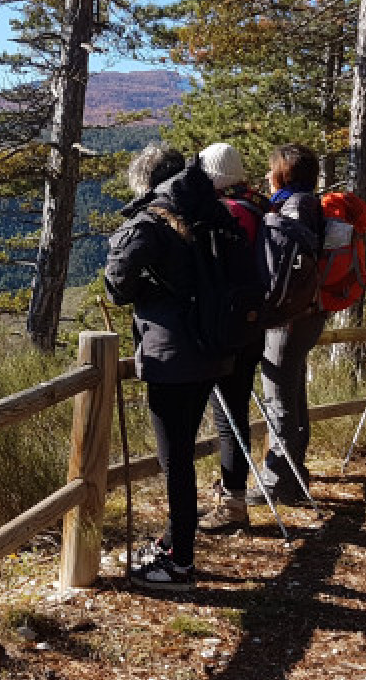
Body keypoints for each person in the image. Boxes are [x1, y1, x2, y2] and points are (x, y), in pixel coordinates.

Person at [104, 143, 236, 592]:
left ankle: (180, 565)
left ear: (146, 179)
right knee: (181, 454)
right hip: (212, 347)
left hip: (171, 354)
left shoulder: (152, 220)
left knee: (174, 460)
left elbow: (117, 285)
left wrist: (148, 289)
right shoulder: (209, 212)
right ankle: (172, 543)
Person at [247, 143, 326, 506]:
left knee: (279, 398)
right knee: (293, 395)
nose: (267, 175)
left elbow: (279, 271)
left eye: (272, 169)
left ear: (284, 173)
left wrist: (264, 310)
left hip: (288, 319)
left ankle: (278, 480)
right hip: (308, 313)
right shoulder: (310, 204)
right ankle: (295, 475)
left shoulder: (291, 208)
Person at [195, 142, 269, 530]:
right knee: (235, 409)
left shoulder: (228, 213)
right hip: (254, 322)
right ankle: (232, 494)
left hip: (229, 327)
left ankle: (233, 502)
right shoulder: (257, 206)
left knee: (228, 416)